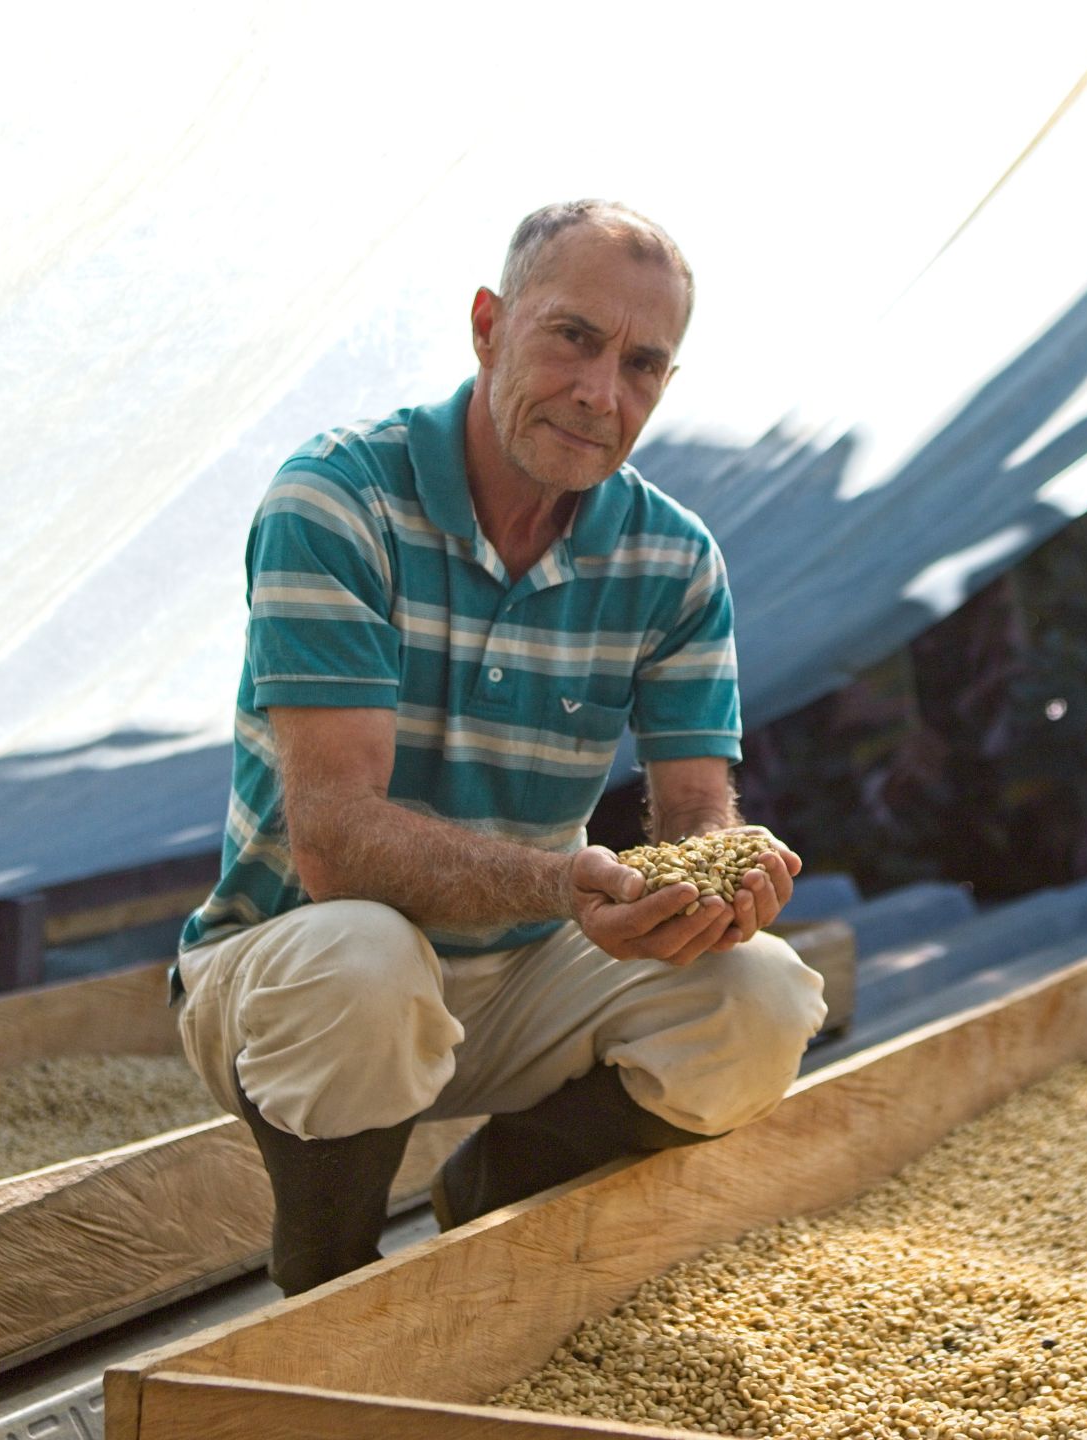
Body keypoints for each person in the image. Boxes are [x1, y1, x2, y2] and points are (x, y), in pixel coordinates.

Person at [171, 200, 827, 1296]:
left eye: (643, 364)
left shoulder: (673, 559)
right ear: (489, 325)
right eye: (572, 336)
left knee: (760, 1000)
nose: (598, 392)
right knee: (362, 959)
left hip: (521, 967)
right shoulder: (339, 500)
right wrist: (567, 883)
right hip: (291, 970)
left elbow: (696, 806)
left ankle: (494, 1190)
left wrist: (720, 875)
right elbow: (331, 843)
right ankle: (327, 1281)